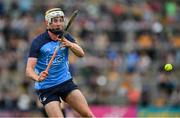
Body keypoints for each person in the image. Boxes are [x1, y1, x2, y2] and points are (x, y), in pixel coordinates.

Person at [26, 8, 94, 117]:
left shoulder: (66, 36)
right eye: (55, 21)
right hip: (46, 88)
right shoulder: (38, 42)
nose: (59, 24)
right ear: (48, 23)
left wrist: (70, 45)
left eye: (60, 20)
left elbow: (81, 54)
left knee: (88, 115)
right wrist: (37, 78)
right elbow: (29, 70)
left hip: (65, 82)